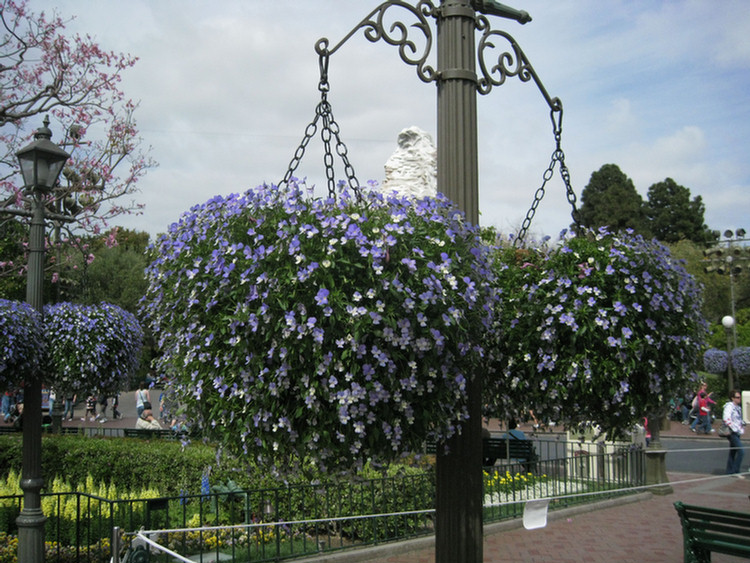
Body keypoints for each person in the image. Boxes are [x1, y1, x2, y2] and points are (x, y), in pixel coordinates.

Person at [722, 389, 745, 476]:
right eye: (737, 397)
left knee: (733, 451)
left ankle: (729, 471)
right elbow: (726, 418)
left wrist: (741, 425)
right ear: (732, 398)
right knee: (741, 451)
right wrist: (733, 427)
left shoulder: (738, 408)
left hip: (737, 432)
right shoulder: (729, 406)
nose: (739, 399)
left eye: (740, 397)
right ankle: (736, 471)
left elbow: (738, 419)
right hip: (732, 432)